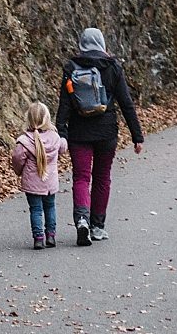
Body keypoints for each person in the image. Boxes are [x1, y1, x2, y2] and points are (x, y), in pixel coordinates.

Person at [55, 27, 144, 246]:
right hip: (106, 132)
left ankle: (82, 220)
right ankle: (97, 226)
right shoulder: (113, 66)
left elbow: (64, 105)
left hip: (79, 133)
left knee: (81, 177)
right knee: (102, 178)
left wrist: (62, 132)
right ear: (102, 43)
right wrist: (137, 135)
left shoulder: (71, 67)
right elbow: (126, 103)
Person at [11, 101, 67, 249]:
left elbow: (17, 158)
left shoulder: (24, 141)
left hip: (32, 183)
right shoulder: (55, 138)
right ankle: (51, 235)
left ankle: (38, 238)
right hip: (50, 182)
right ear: (47, 119)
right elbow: (63, 147)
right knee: (50, 207)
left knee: (36, 209)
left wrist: (19, 171)